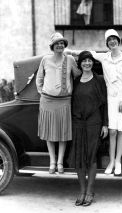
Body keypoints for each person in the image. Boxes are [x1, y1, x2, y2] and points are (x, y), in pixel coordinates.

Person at [36, 32, 81, 174]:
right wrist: (44, 92)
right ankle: (52, 162)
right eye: (57, 43)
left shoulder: (70, 59)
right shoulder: (45, 59)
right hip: (47, 101)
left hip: (64, 101)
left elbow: (79, 76)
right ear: (52, 46)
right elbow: (39, 79)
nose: (60, 45)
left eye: (62, 43)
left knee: (63, 132)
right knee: (49, 132)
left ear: (64, 46)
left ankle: (60, 162)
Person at [92, 29, 122, 175]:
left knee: (121, 129)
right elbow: (90, 54)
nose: (112, 42)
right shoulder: (105, 57)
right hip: (111, 98)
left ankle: (118, 161)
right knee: (112, 131)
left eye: (114, 39)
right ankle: (110, 161)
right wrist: (70, 51)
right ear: (107, 43)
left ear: (118, 40)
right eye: (109, 40)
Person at [69, 51, 108, 206]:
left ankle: (90, 192)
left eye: (89, 60)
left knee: (91, 158)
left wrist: (105, 124)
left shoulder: (99, 80)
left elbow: (104, 104)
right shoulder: (76, 81)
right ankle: (82, 191)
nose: (87, 63)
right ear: (80, 64)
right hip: (77, 123)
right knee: (79, 158)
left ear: (92, 63)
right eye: (84, 61)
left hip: (94, 122)